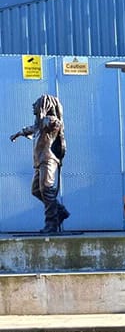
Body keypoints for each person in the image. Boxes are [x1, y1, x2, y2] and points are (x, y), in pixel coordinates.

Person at [10, 94, 69, 234]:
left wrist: (53, 121)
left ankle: (51, 224)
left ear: (43, 105)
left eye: (36, 103)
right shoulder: (39, 123)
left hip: (48, 160)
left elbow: (52, 124)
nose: (33, 106)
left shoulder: (49, 120)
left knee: (47, 190)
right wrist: (19, 133)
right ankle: (60, 211)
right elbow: (32, 128)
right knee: (36, 190)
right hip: (39, 161)